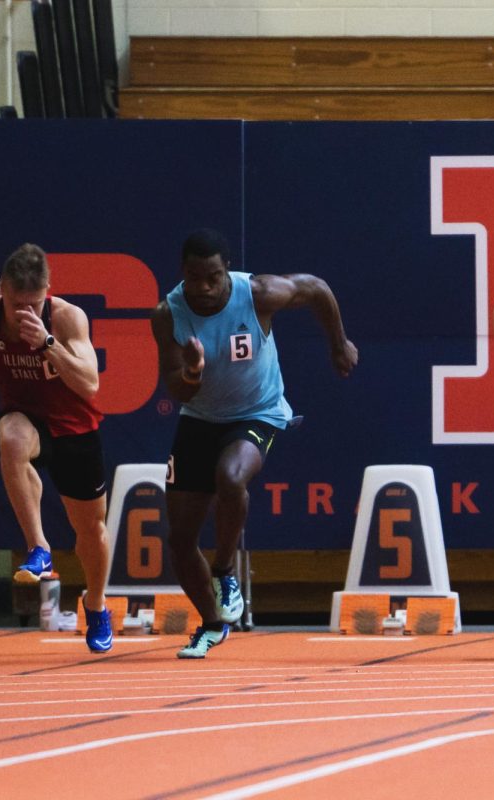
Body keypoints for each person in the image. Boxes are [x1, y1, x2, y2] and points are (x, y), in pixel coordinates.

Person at [152, 229, 357, 659]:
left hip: (258, 412)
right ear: (182, 274)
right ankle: (211, 625)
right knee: (180, 539)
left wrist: (338, 345)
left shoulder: (258, 293)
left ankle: (225, 570)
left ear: (227, 270)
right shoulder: (168, 315)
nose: (204, 288)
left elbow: (316, 289)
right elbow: (177, 389)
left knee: (230, 476)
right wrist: (191, 373)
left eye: (213, 277)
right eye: (194, 278)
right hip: (199, 417)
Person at [0, 245, 113, 653]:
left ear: (47, 292)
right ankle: (39, 548)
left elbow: (90, 383)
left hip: (75, 429)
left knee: (91, 535)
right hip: (26, 417)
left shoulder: (66, 318)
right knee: (10, 437)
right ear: (3, 293)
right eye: (15, 304)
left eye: (33, 304)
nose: (22, 314)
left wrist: (46, 342)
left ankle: (97, 605)